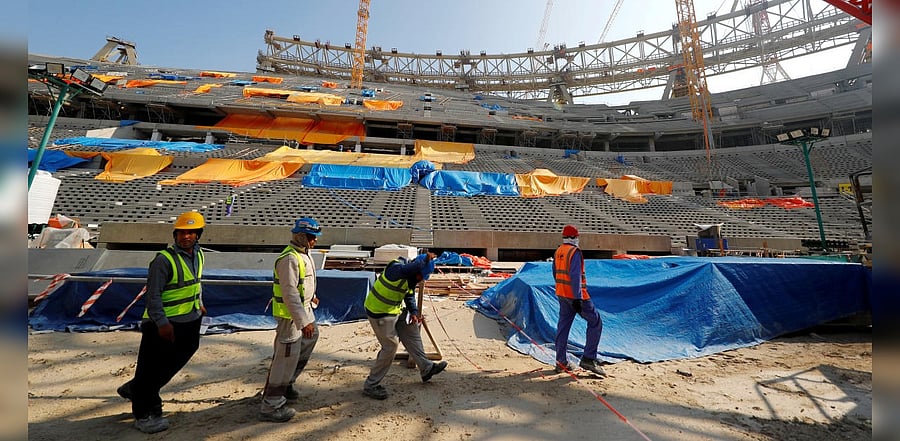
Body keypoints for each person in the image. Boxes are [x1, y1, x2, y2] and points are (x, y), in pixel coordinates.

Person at [117, 211, 207, 433]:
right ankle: (145, 413)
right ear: (175, 234)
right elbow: (153, 296)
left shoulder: (199, 255)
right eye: (182, 233)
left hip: (190, 318)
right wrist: (162, 323)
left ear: (198, 235)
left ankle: (136, 388)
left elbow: (195, 282)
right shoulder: (163, 261)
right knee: (150, 368)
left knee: (183, 353)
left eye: (190, 233)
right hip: (163, 324)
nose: (186, 237)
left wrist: (199, 302)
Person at [258, 217, 322, 422]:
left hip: (304, 309)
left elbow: (303, 283)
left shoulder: (304, 254)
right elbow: (290, 293)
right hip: (291, 316)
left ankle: (287, 383)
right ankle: (271, 404)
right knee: (285, 358)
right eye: (312, 237)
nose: (315, 241)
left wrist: (311, 296)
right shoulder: (289, 259)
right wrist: (304, 322)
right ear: (301, 236)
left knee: (309, 341)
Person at [362, 252, 448, 400]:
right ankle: (371, 385)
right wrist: (426, 259)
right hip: (379, 312)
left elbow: (408, 294)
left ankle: (426, 368)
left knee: (411, 329)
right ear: (416, 270)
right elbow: (406, 270)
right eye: (421, 276)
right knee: (390, 347)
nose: (421, 280)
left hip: (393, 309)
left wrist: (413, 312)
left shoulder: (410, 278)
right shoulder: (396, 268)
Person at [552, 225, 607, 376]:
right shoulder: (574, 252)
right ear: (574, 237)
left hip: (562, 294)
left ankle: (560, 361)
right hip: (577, 296)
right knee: (595, 322)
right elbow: (575, 276)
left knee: (563, 327)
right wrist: (577, 298)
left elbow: (555, 273)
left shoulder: (559, 251)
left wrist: (564, 291)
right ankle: (589, 358)